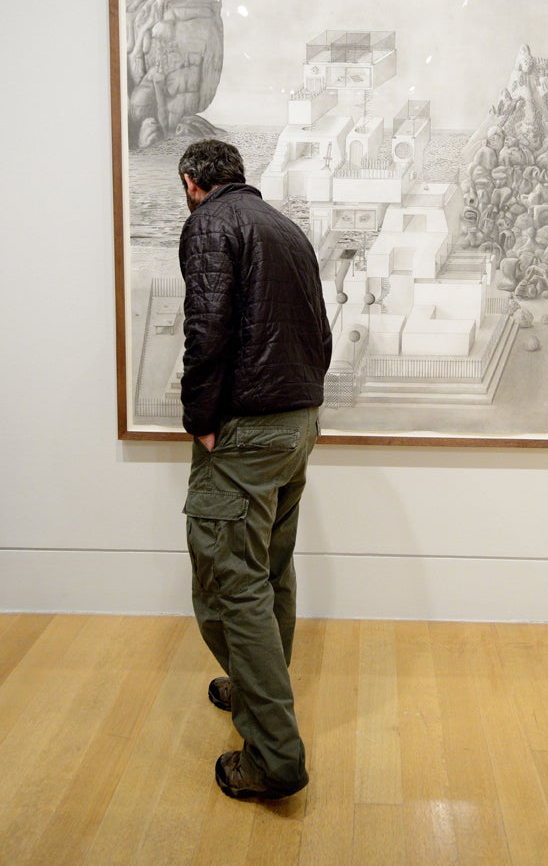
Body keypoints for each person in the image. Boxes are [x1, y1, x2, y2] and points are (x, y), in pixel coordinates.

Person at [178, 139, 332, 800]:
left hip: (246, 430)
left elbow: (205, 328)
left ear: (192, 182)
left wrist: (200, 418)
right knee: (270, 570)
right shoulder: (285, 227)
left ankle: (272, 759)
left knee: (229, 585)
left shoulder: (209, 224)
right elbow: (320, 332)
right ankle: (252, 686)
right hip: (298, 422)